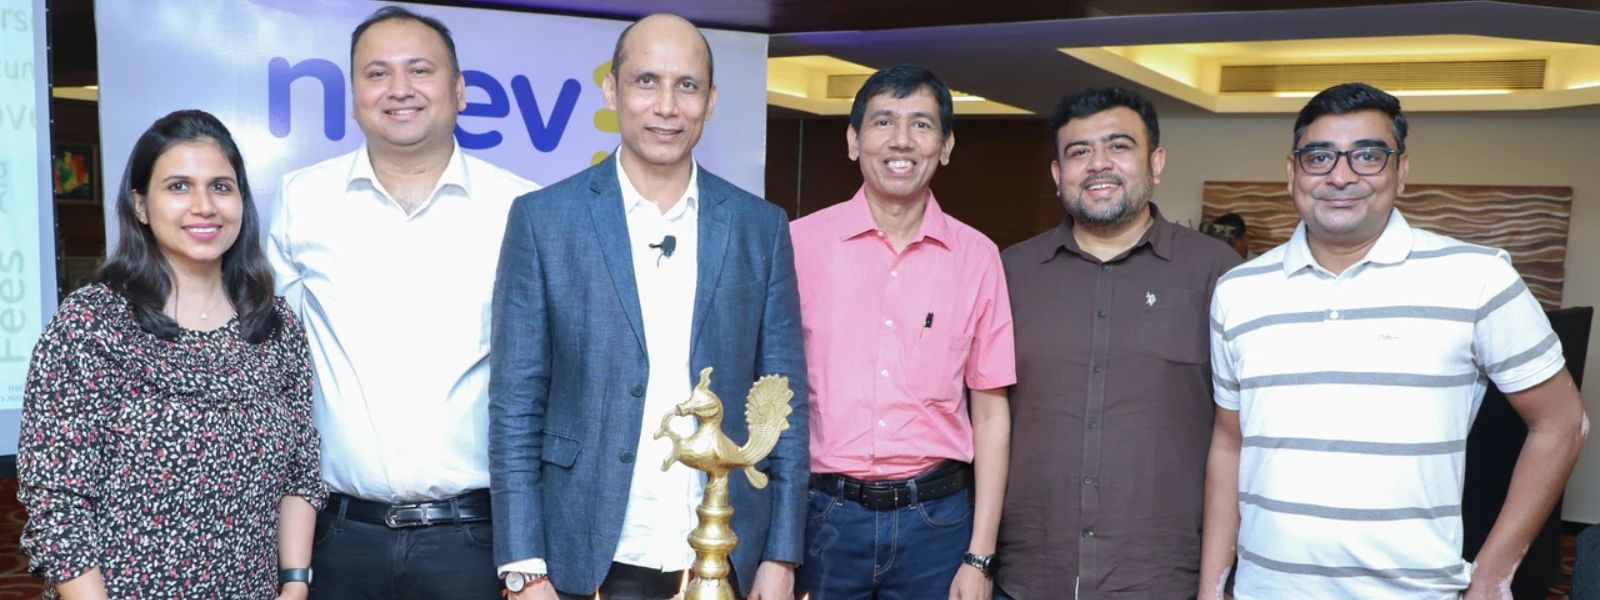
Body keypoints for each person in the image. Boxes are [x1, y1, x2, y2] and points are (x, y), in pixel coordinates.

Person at [1198, 82, 1588, 600]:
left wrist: (1492, 577)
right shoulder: (1239, 291)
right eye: (1319, 157)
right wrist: (1211, 588)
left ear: (1400, 170)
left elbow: (1563, 423)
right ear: (1292, 172)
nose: (1341, 176)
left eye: (1367, 156)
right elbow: (1230, 445)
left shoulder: (1477, 277)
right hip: (1265, 588)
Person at [488, 13, 807, 600]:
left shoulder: (758, 227)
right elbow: (515, 406)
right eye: (646, 81)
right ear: (611, 89)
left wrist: (781, 556)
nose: (666, 106)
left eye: (687, 85)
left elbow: (782, 400)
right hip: (581, 556)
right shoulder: (544, 220)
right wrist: (525, 567)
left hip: (726, 553)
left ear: (711, 100)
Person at [266, 6, 538, 598]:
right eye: (377, 73)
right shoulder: (302, 200)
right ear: (354, 95)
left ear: (459, 90)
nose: (399, 89)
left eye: (420, 70)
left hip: (475, 541)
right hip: (338, 539)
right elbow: (276, 369)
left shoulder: (520, 208)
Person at [18, 109, 324, 599]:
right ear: (140, 205)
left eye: (221, 187)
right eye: (179, 186)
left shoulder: (275, 325)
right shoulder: (92, 324)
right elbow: (58, 505)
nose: (204, 206)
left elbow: (301, 471)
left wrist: (294, 583)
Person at [995, 87, 1242, 600]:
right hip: (1029, 575)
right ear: (1057, 173)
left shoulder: (1218, 274)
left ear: (1156, 162)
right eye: (1079, 151)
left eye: (1119, 146)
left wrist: (1216, 585)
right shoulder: (1008, 272)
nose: (1098, 164)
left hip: (1164, 578)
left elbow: (1241, 437)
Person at [789, 63, 1015, 600]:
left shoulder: (978, 256)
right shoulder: (798, 245)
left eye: (921, 124)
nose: (901, 140)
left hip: (936, 525)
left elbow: (990, 411)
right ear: (853, 140)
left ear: (945, 146)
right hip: (821, 518)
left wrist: (980, 555)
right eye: (883, 121)